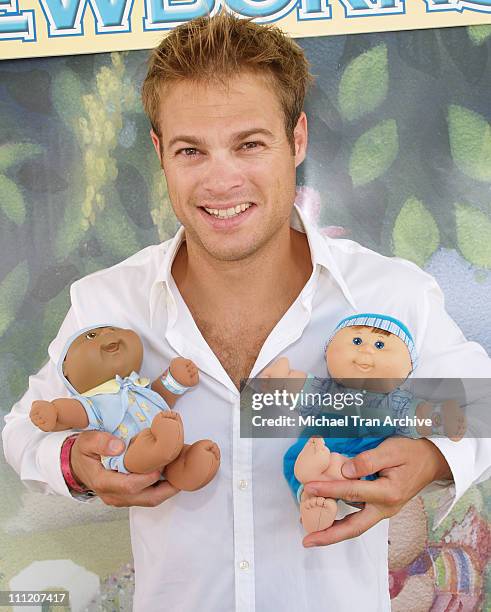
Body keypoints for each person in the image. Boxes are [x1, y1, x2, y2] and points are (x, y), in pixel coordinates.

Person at [3, 13, 491, 612]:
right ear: (160, 152)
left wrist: (432, 453)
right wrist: (74, 463)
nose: (221, 179)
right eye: (191, 150)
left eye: (250, 144)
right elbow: (26, 428)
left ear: (298, 139)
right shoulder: (108, 303)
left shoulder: (389, 294)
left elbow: (480, 400)